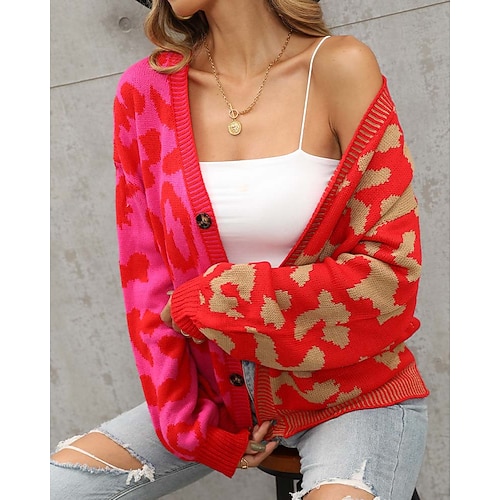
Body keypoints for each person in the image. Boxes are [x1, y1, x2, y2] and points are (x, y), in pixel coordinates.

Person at [50, 0, 430, 498]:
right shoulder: (145, 94)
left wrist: (218, 298)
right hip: (216, 395)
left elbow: (389, 276)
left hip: (353, 395)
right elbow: (147, 285)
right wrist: (189, 426)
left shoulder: (340, 66)